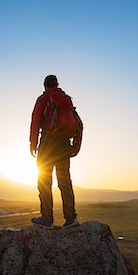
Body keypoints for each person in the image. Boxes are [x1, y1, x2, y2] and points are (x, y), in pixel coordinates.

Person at [29, 75, 79, 228]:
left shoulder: (43, 99)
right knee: (64, 182)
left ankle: (47, 218)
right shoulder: (66, 100)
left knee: (44, 181)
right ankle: (71, 219)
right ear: (57, 84)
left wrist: (33, 143)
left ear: (45, 86)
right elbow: (77, 123)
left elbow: (36, 121)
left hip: (48, 144)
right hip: (64, 144)